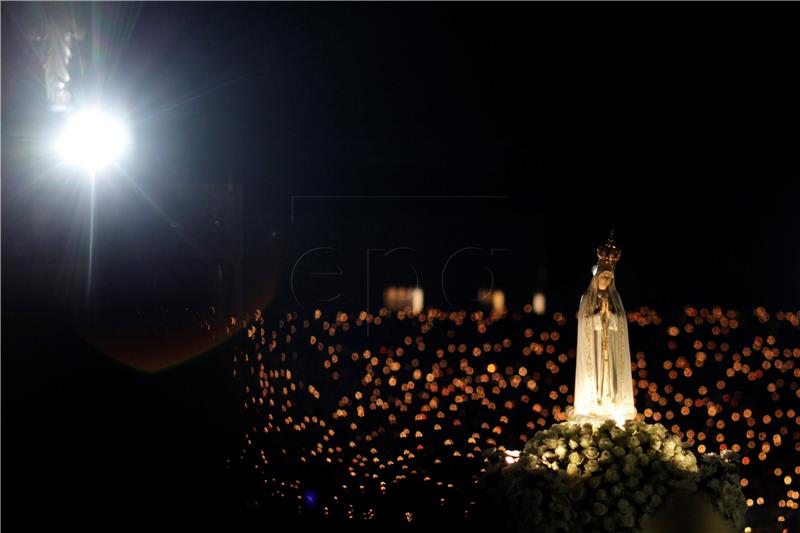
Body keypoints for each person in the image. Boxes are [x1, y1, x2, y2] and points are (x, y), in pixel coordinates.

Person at [567, 235, 636, 426]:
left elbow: (621, 321)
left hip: (610, 347)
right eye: (603, 277)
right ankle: (594, 406)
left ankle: (611, 405)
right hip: (595, 345)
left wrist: (610, 315)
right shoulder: (587, 298)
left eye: (608, 277)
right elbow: (584, 322)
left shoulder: (615, 298)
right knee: (596, 375)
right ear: (597, 278)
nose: (605, 280)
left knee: (610, 376)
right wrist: (598, 316)